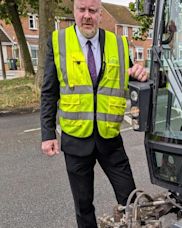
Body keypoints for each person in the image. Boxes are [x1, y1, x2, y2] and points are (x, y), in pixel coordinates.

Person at [40, 0, 147, 227]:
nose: (87, 16)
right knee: (84, 206)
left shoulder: (118, 44)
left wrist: (139, 72)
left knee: (131, 200)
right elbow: (49, 92)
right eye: (82, 10)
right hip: (76, 140)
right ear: (74, 11)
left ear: (100, 14)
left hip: (110, 140)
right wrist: (48, 133)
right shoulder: (59, 42)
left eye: (92, 11)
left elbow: (128, 75)